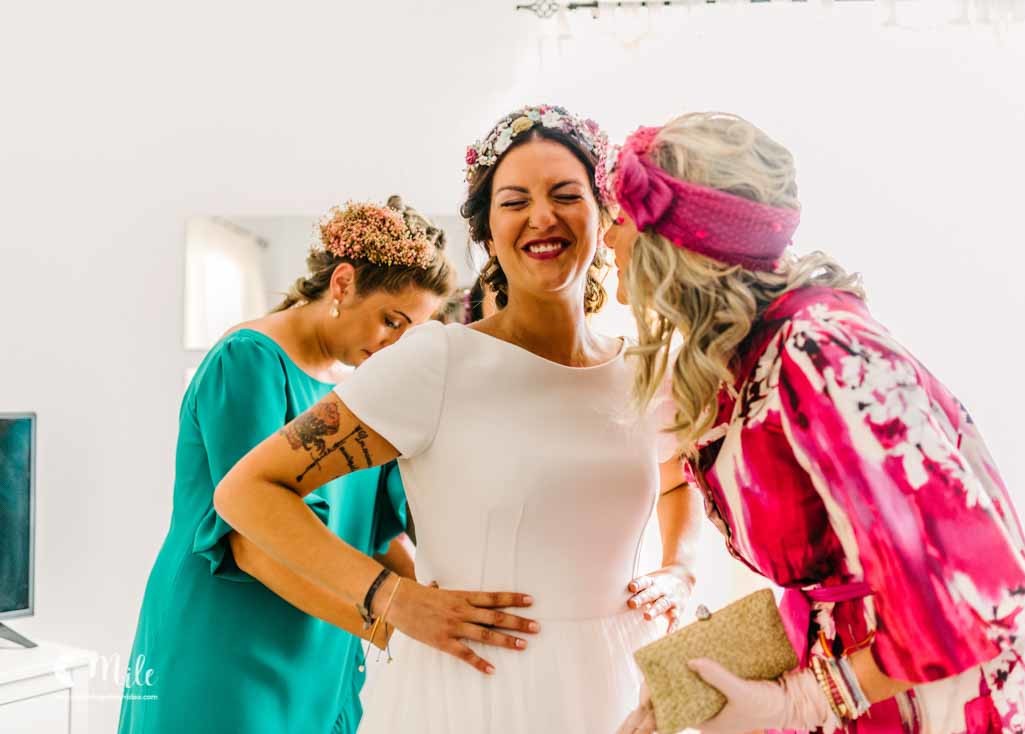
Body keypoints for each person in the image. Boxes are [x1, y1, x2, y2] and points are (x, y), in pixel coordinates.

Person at [213, 104, 703, 733]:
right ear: (488, 232)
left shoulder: (644, 371)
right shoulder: (437, 362)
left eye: (564, 195)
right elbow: (247, 491)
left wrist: (682, 569)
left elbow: (674, 476)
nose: (541, 216)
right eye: (514, 201)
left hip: (615, 684)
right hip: (474, 691)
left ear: (604, 214)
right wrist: (390, 598)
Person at [610, 113, 1025, 733]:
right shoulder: (742, 361)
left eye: (618, 219)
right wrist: (706, 675)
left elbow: (971, 594)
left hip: (950, 705)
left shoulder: (821, 349)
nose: (605, 240)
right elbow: (838, 574)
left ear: (674, 247)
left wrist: (806, 699)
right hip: (865, 695)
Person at [118, 197, 454, 734]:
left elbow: (373, 534)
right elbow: (249, 543)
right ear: (342, 284)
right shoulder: (248, 361)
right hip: (225, 640)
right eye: (391, 321)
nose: (396, 345)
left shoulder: (363, 392)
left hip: (321, 644)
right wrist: (396, 623)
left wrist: (452, 620)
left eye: (410, 333)